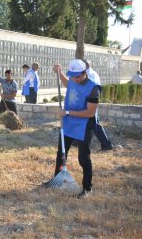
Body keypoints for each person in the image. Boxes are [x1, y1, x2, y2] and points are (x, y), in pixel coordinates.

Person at [52, 59, 101, 198]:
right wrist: (60, 73)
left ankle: (87, 188)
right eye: (73, 76)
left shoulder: (93, 88)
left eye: (78, 76)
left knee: (83, 158)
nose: (75, 79)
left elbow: (90, 112)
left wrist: (67, 112)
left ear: (85, 73)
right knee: (61, 153)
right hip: (69, 122)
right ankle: (58, 180)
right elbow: (68, 84)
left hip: (85, 123)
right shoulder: (73, 79)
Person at [83, 59, 113, 151]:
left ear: (85, 66)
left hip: (90, 101)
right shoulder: (94, 73)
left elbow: (88, 88)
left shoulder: (89, 74)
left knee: (95, 124)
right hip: (92, 100)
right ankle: (79, 142)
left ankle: (106, 145)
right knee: (90, 123)